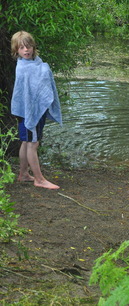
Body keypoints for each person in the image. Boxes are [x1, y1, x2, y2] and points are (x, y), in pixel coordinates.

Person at [10, 31, 62, 190]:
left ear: (33, 46)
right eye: (21, 47)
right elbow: (32, 90)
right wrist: (45, 70)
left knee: (26, 141)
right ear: (16, 50)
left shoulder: (32, 63)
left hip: (22, 110)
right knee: (33, 143)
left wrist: (43, 69)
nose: (26, 50)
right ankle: (39, 179)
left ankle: (24, 174)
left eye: (29, 46)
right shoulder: (25, 68)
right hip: (30, 110)